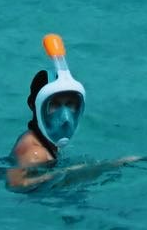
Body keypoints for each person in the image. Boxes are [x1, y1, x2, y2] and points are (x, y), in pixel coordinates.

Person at [5, 32, 87, 190]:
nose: (65, 117)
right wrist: (64, 173)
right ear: (33, 105)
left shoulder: (45, 140)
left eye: (70, 104)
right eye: (55, 105)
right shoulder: (35, 152)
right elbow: (15, 184)